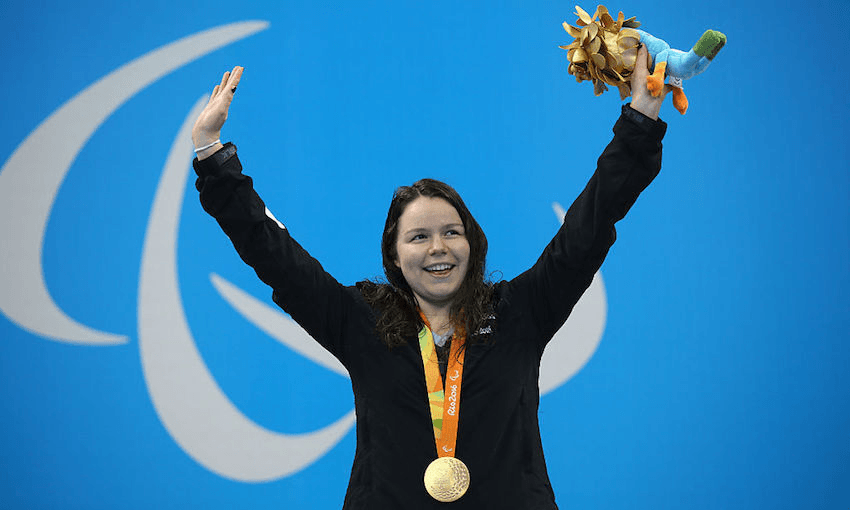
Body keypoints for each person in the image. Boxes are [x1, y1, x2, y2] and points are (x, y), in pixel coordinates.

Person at [192, 45, 670, 509]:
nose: (438, 248)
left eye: (451, 232)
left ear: (472, 244)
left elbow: (588, 228)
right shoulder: (360, 322)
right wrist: (211, 153)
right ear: (395, 256)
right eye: (418, 237)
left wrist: (639, 125)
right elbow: (273, 254)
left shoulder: (521, 312)